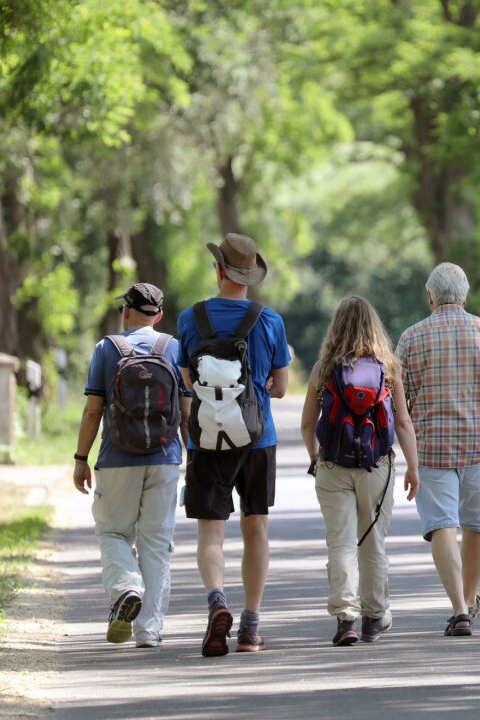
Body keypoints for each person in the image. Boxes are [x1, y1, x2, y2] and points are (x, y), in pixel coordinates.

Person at [176, 233, 291, 657]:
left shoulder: (191, 319)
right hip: (258, 437)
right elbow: (280, 387)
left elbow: (187, 378)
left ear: (218, 270)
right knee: (255, 527)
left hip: (206, 437)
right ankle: (250, 628)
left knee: (211, 533)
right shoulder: (270, 321)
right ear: (251, 276)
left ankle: (216, 601)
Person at [73, 282, 192, 649]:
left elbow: (94, 409)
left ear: (125, 310)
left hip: (117, 458)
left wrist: (81, 459)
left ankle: (126, 588)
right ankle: (148, 630)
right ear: (159, 315)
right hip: (165, 459)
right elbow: (186, 413)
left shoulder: (107, 349)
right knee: (157, 544)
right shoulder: (173, 348)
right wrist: (192, 458)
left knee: (113, 533)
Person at [300, 296, 420, 646]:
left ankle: (345, 620)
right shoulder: (388, 366)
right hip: (377, 467)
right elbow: (402, 421)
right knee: (373, 543)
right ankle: (373, 617)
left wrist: (316, 457)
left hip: (333, 466)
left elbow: (308, 422)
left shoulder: (324, 367)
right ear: (374, 325)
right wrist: (413, 467)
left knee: (340, 543)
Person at [395, 263, 480, 637]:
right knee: (477, 526)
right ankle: (469, 602)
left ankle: (459, 608)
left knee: (442, 525)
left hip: (431, 448)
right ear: (465, 295)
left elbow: (400, 398)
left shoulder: (411, 337)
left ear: (430, 298)